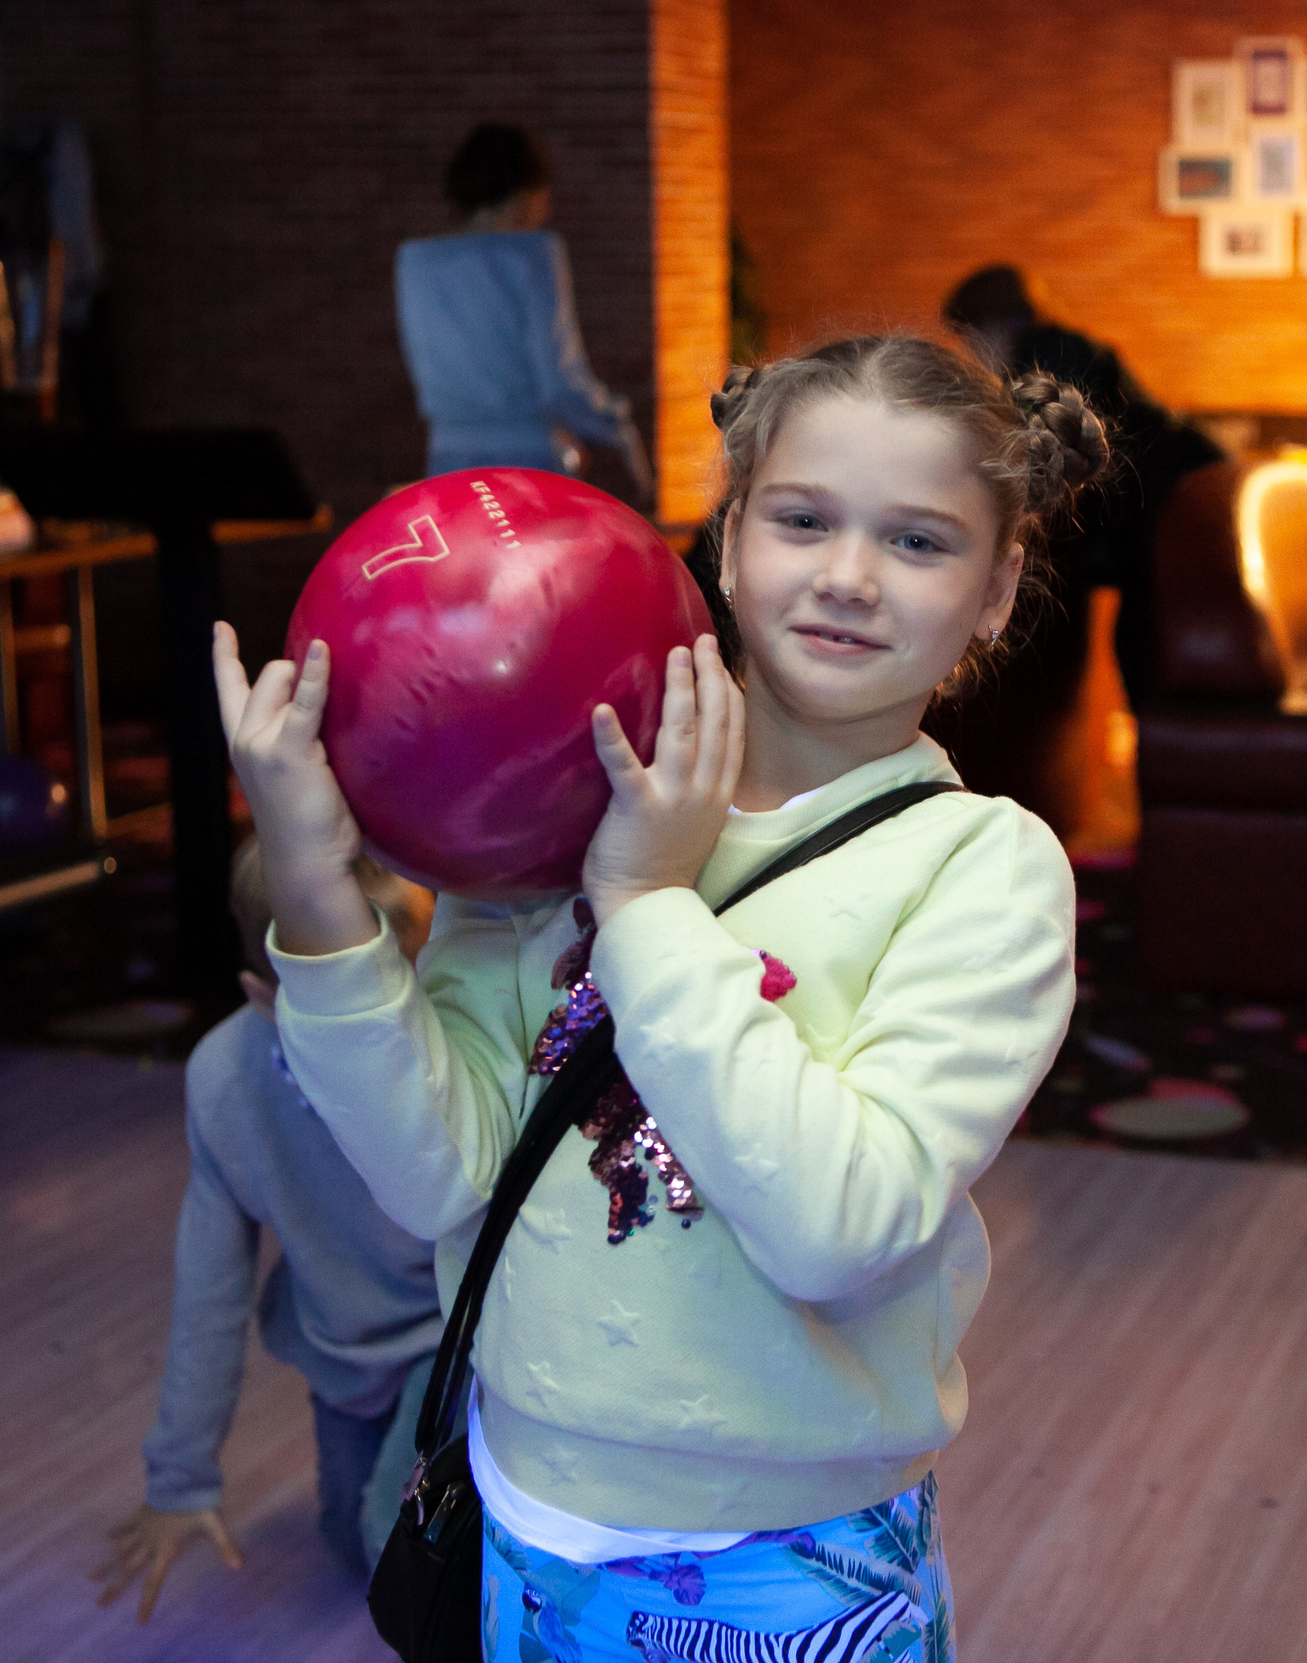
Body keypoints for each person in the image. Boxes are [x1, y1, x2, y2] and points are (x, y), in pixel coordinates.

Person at [212, 333, 1099, 1660]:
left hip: (791, 1559)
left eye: (919, 542)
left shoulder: (981, 866)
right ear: (730, 539)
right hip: (523, 1506)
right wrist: (313, 878)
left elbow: (839, 1223)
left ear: (996, 587)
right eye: (804, 519)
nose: (850, 577)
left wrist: (643, 904)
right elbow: (438, 1174)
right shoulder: (556, 788)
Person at [92, 840, 443, 1621]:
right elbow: (209, 1292)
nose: (379, 1019)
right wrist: (179, 1480)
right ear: (262, 996)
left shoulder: (457, 1034)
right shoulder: (226, 1078)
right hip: (340, 1345)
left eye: (398, 983)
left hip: (458, 1337)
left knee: (394, 1540)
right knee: (350, 1543)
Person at [941, 263, 1221, 710]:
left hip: (1175, 507)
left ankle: (1169, 765)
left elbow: (1038, 456)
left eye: (970, 338)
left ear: (997, 324)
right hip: (1189, 496)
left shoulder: (1048, 359)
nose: (972, 355)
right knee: (1141, 644)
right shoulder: (1065, 349)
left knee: (1145, 647)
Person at [394, 123, 653, 500]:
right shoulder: (532, 254)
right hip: (526, 462)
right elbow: (561, 381)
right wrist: (618, 426)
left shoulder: (415, 262)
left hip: (447, 461)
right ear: (525, 194)